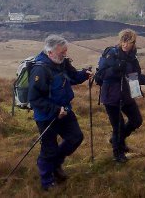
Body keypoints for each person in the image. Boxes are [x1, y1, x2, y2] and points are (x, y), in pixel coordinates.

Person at [28, 34, 92, 190]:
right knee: (49, 148)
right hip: (46, 116)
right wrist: (56, 110)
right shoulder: (40, 70)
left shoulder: (61, 62)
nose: (65, 54)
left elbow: (73, 77)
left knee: (75, 137)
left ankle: (56, 164)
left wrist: (84, 74)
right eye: (62, 52)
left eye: (65, 51)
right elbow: (35, 98)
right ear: (50, 52)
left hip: (65, 110)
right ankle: (47, 182)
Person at [95, 29, 145, 163]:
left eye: (128, 43)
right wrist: (115, 69)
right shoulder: (110, 53)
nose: (125, 45)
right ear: (120, 41)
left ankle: (116, 140)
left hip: (126, 94)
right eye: (123, 42)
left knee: (136, 120)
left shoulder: (132, 57)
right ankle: (118, 154)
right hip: (111, 96)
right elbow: (100, 75)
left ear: (133, 43)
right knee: (118, 125)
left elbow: (135, 76)